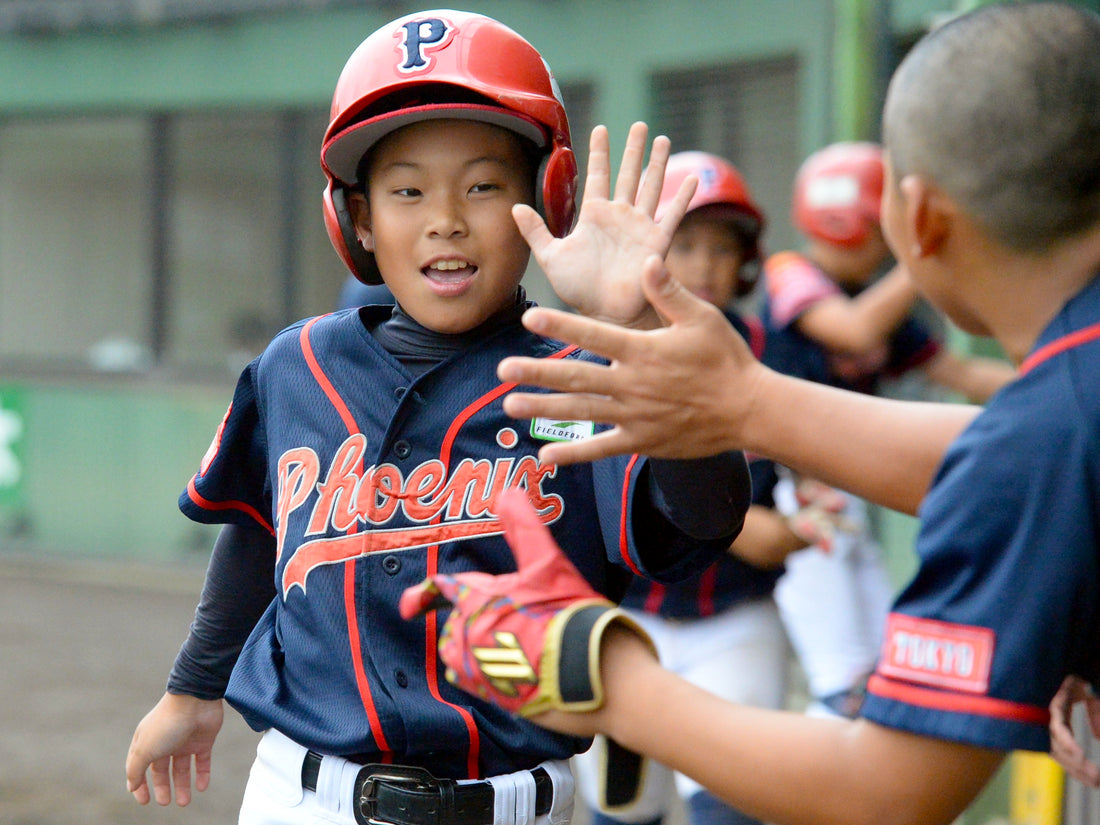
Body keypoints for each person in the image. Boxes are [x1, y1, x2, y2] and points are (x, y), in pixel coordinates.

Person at [414, 4, 1100, 825]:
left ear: (916, 218)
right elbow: (1002, 450)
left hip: (723, 627)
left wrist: (591, 665)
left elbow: (882, 790)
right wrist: (749, 399)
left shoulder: (1044, 433)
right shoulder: (1059, 411)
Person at [123, 10, 752, 825]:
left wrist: (645, 337)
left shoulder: (586, 379)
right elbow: (257, 530)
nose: (444, 217)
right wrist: (193, 687)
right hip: (300, 794)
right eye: (406, 189)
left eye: (484, 185)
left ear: (546, 201)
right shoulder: (296, 365)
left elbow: (707, 518)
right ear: (357, 220)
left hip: (513, 801)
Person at [572, 151, 840, 825]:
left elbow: (813, 472)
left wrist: (807, 508)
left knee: (732, 810)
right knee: (622, 812)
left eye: (723, 247)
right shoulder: (603, 347)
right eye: (684, 243)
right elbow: (578, 489)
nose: (704, 266)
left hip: (735, 622)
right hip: (623, 623)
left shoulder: (777, 352)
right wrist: (741, 527)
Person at [763, 140, 1016, 720]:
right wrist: (919, 260)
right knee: (842, 679)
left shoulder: (875, 299)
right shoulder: (791, 272)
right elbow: (851, 331)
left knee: (882, 656)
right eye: (885, 228)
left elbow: (961, 372)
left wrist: (1050, 382)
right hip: (785, 490)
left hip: (841, 494)